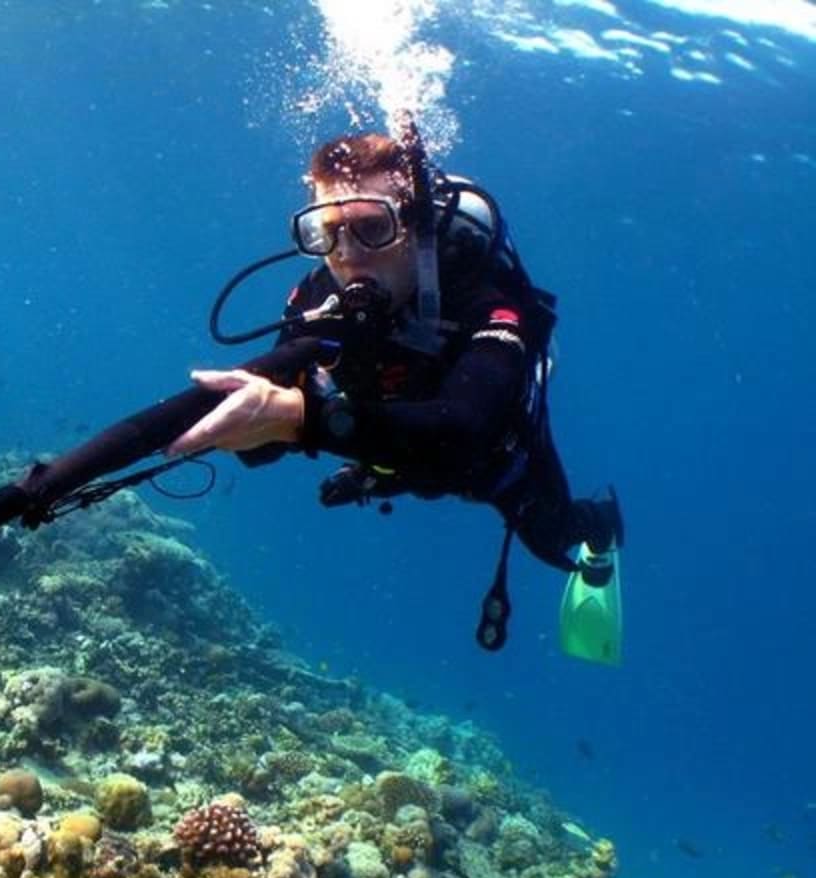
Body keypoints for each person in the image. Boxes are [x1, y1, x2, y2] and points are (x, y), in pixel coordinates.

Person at [168, 128, 624, 657]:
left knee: (553, 538)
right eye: (327, 231)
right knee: (390, 464)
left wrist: (302, 420)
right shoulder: (317, 297)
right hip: (390, 447)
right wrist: (248, 430)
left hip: (491, 463)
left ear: (415, 226)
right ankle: (376, 474)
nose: (348, 254)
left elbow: (465, 430)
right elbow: (268, 439)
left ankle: (603, 528)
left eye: (371, 227)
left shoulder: (483, 299)